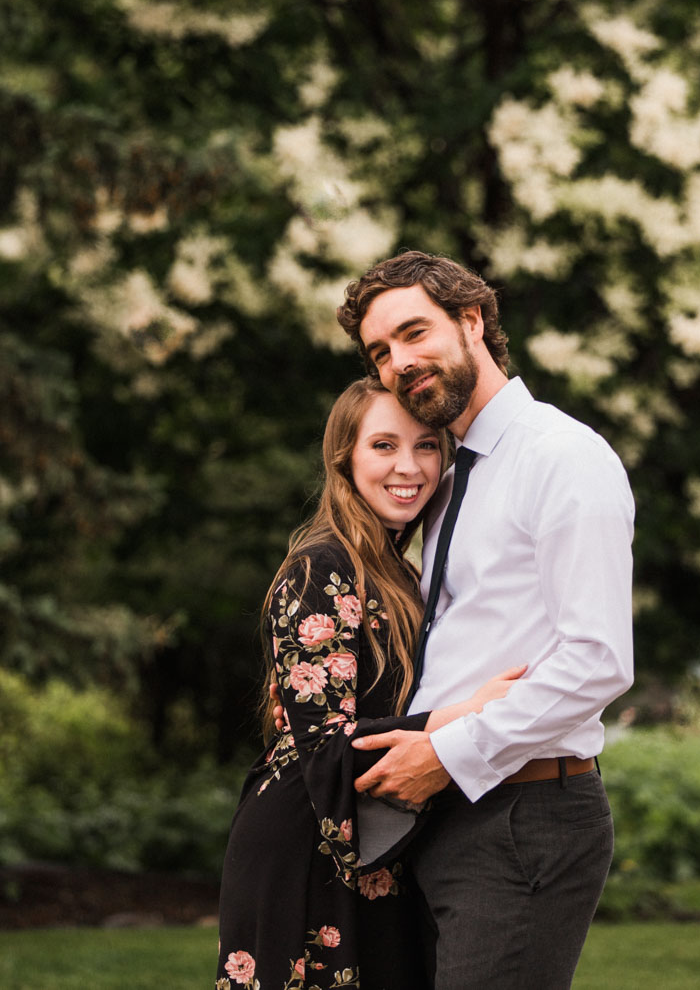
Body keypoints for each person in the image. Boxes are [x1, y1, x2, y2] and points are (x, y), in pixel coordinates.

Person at [336, 251, 635, 990]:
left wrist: (448, 754)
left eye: (414, 333)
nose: (400, 363)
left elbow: (597, 660)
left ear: (472, 321)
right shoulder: (444, 476)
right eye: (381, 352)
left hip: (523, 813)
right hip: (445, 812)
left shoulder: (561, 457)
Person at [216, 376, 524, 990]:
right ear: (344, 460)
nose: (408, 467)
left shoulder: (400, 575)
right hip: (305, 848)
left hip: (375, 848)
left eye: (427, 446)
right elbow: (327, 747)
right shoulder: (320, 567)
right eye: (383, 446)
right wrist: (463, 715)